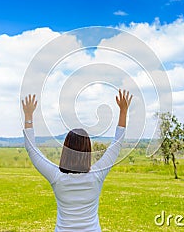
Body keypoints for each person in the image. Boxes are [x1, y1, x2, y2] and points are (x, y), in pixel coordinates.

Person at [22, 89, 132, 232]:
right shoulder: (96, 175)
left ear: (65, 150)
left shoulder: (57, 177)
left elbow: (32, 150)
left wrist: (28, 116)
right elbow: (116, 144)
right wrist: (123, 112)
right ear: (88, 151)